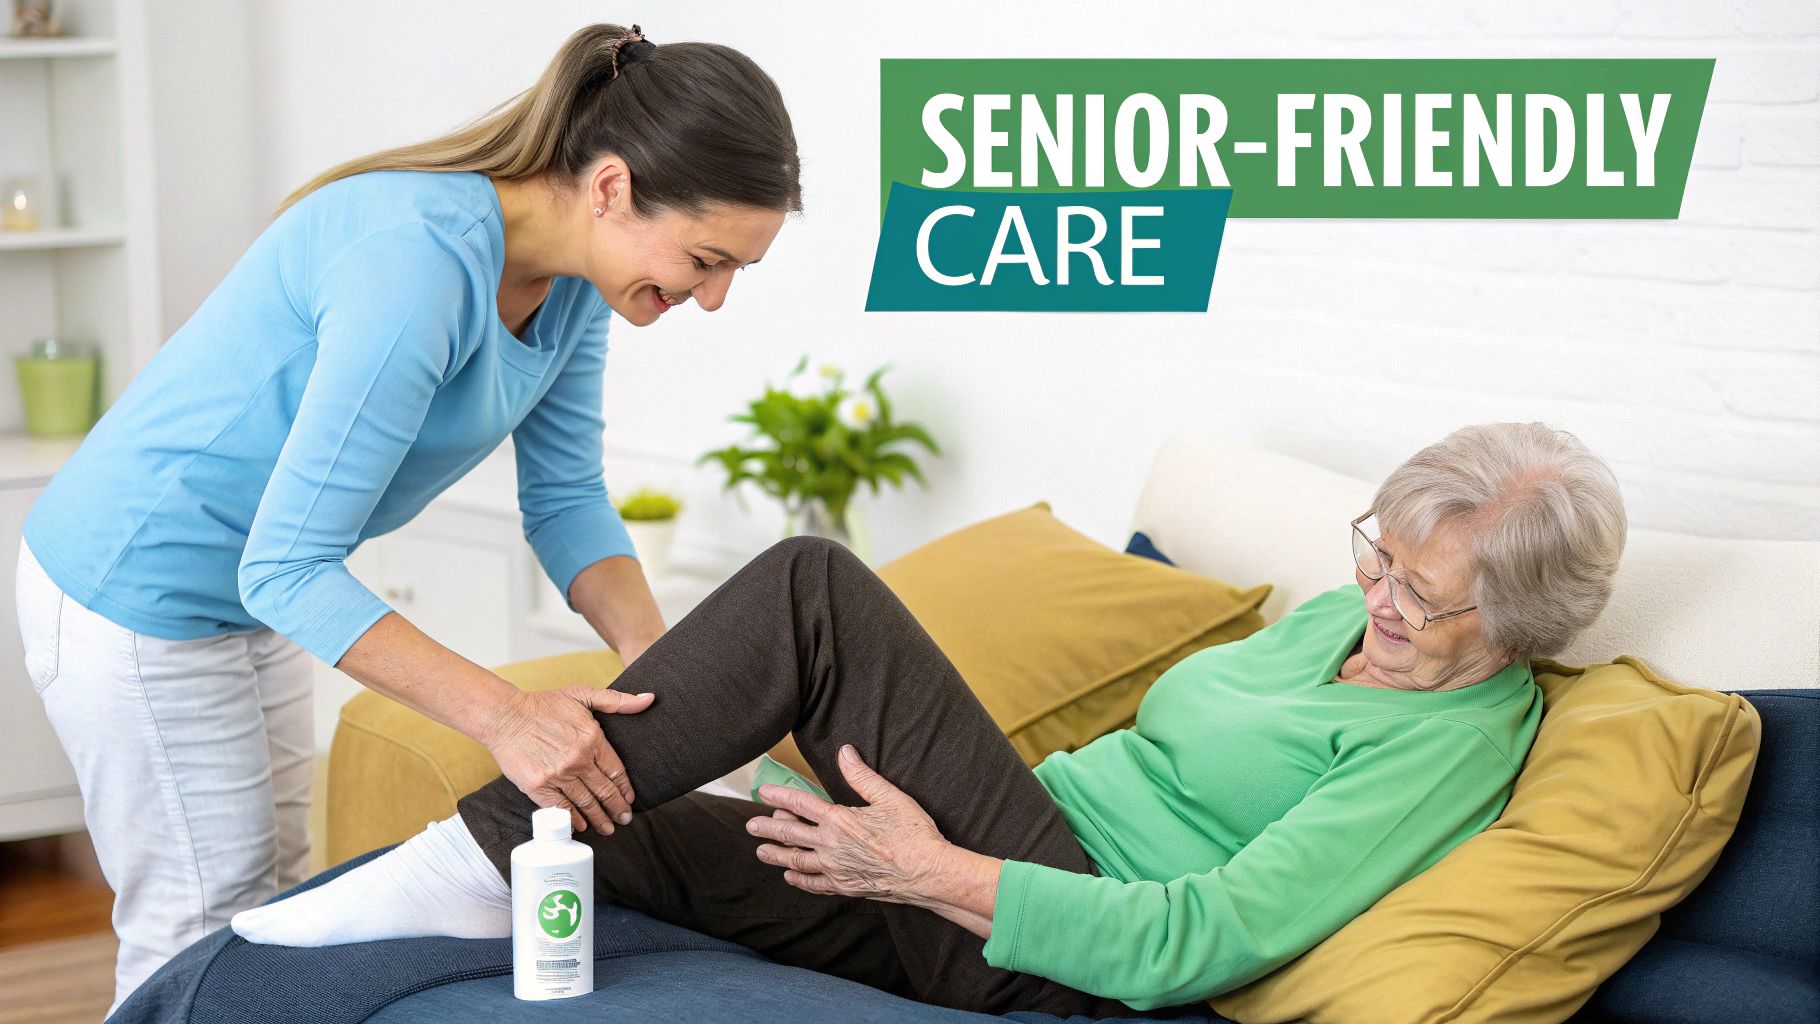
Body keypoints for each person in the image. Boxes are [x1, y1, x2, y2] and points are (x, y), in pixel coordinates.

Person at [232, 422, 1628, 1017]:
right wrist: (905, 843)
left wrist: (933, 869)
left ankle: (466, 850)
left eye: (1421, 597)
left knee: (812, 591)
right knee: (619, 833)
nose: (1379, 599)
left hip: (1062, 953)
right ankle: (459, 875)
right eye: (1377, 553)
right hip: (995, 848)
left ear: (1517, 628)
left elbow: (1199, 941)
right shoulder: (1339, 617)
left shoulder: (1452, 746)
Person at [12, 23, 799, 1013]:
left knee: (269, 912)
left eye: (734, 272)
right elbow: (288, 566)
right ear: (611, 188)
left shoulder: (573, 290)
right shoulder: (416, 264)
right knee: (194, 934)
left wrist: (667, 666)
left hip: (248, 594)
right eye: (706, 259)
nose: (712, 297)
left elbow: (564, 499)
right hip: (136, 585)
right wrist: (509, 717)